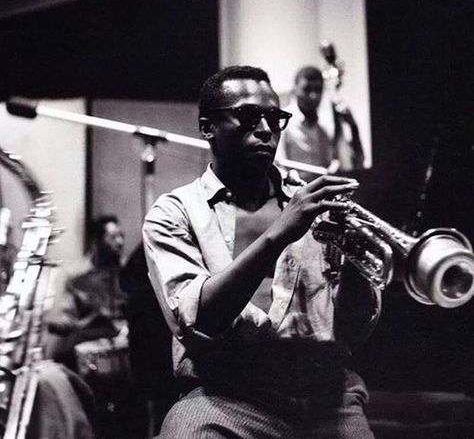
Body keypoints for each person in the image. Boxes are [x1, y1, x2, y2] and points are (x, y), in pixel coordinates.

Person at [143, 66, 380, 438]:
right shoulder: (174, 214)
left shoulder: (317, 202)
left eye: (275, 118)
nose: (267, 130)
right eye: (249, 116)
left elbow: (354, 326)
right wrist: (278, 234)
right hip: (225, 397)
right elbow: (199, 320)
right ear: (208, 128)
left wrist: (356, 267)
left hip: (326, 395)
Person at [47, 214, 128, 371]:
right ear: (96, 241)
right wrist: (54, 323)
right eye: (113, 237)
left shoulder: (129, 271)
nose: (120, 242)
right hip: (92, 334)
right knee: (61, 353)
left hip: (126, 335)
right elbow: (68, 316)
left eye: (121, 236)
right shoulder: (77, 275)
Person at [279, 66, 365, 180]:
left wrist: (353, 126)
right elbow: (279, 167)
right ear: (295, 90)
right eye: (307, 89)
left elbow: (352, 164)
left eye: (318, 89)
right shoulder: (283, 121)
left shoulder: (325, 127)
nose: (313, 96)